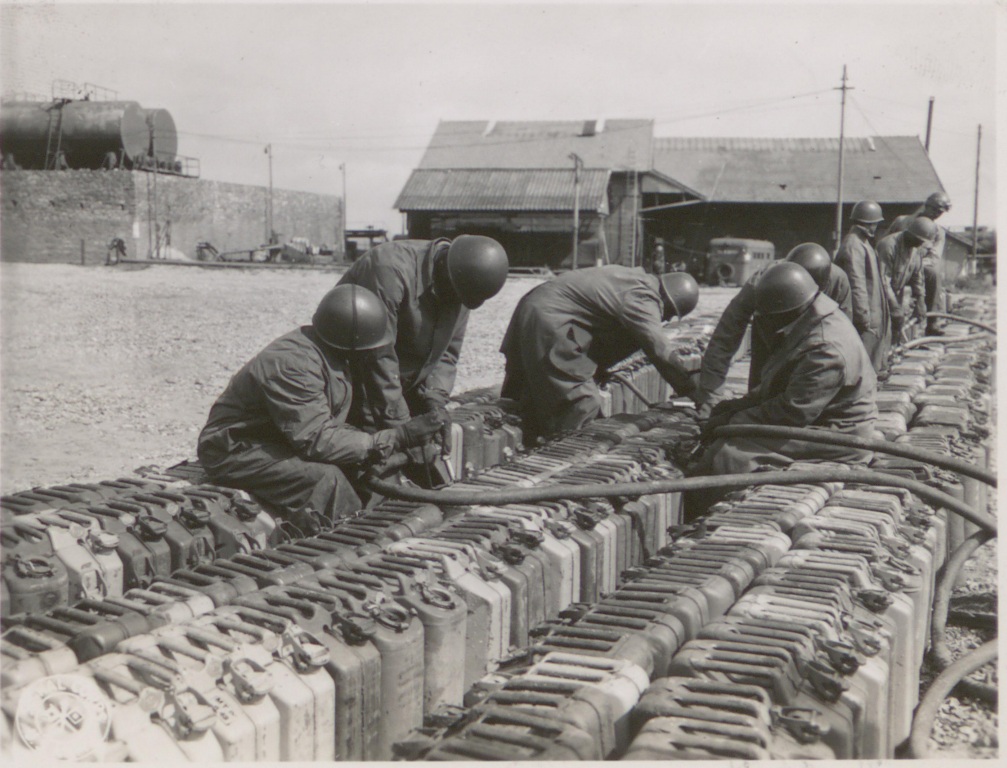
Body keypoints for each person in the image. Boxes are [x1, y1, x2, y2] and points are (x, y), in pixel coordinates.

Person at [196, 285, 447, 529]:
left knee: (368, 464)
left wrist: (381, 446)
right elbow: (316, 439)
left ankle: (378, 523)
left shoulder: (329, 353)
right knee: (326, 481)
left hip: (278, 438)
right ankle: (346, 541)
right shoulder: (294, 364)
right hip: (235, 448)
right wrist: (399, 437)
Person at [697, 261, 878, 477]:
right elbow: (781, 387)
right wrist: (734, 407)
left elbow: (793, 412)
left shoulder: (826, 349)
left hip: (839, 433)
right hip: (819, 418)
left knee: (729, 453)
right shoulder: (809, 316)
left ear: (784, 312)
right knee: (728, 433)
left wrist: (734, 419)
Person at [500, 266, 700, 441]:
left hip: (535, 306)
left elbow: (604, 327)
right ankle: (567, 453)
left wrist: (595, 369)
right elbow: (658, 349)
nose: (666, 318)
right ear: (667, 299)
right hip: (549, 319)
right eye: (670, 313)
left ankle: (529, 440)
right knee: (583, 402)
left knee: (527, 398)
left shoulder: (634, 279)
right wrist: (693, 392)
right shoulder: (643, 297)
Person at [337, 235, 509, 431]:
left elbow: (447, 353)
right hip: (354, 384)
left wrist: (435, 399)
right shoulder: (389, 269)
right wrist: (402, 429)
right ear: (444, 268)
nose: (456, 304)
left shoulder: (461, 285)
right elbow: (377, 357)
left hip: (398, 387)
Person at [694, 243, 853, 418]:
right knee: (760, 399)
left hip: (815, 343)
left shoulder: (838, 281)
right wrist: (710, 399)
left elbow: (846, 342)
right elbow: (725, 337)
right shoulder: (763, 283)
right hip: (771, 332)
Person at [883, 191, 951, 336]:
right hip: (894, 264)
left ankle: (932, 321)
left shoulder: (938, 232)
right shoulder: (902, 221)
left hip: (918, 267)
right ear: (926, 205)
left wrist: (915, 265)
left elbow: (934, 257)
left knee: (933, 273)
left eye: (940, 213)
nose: (935, 214)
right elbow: (886, 241)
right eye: (934, 209)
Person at [834, 200, 891, 373]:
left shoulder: (863, 243)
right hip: (862, 317)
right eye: (875, 224)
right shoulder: (854, 245)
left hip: (871, 314)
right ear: (868, 224)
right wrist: (863, 317)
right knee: (860, 364)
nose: (876, 228)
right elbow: (857, 283)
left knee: (870, 362)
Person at [876, 217, 935, 342]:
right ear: (910, 234)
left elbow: (917, 276)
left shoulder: (916, 249)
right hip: (877, 295)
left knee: (896, 325)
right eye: (918, 240)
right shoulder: (888, 246)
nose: (920, 244)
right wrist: (895, 309)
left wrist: (920, 300)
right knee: (882, 331)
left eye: (922, 242)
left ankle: (894, 351)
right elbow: (883, 282)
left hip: (894, 291)